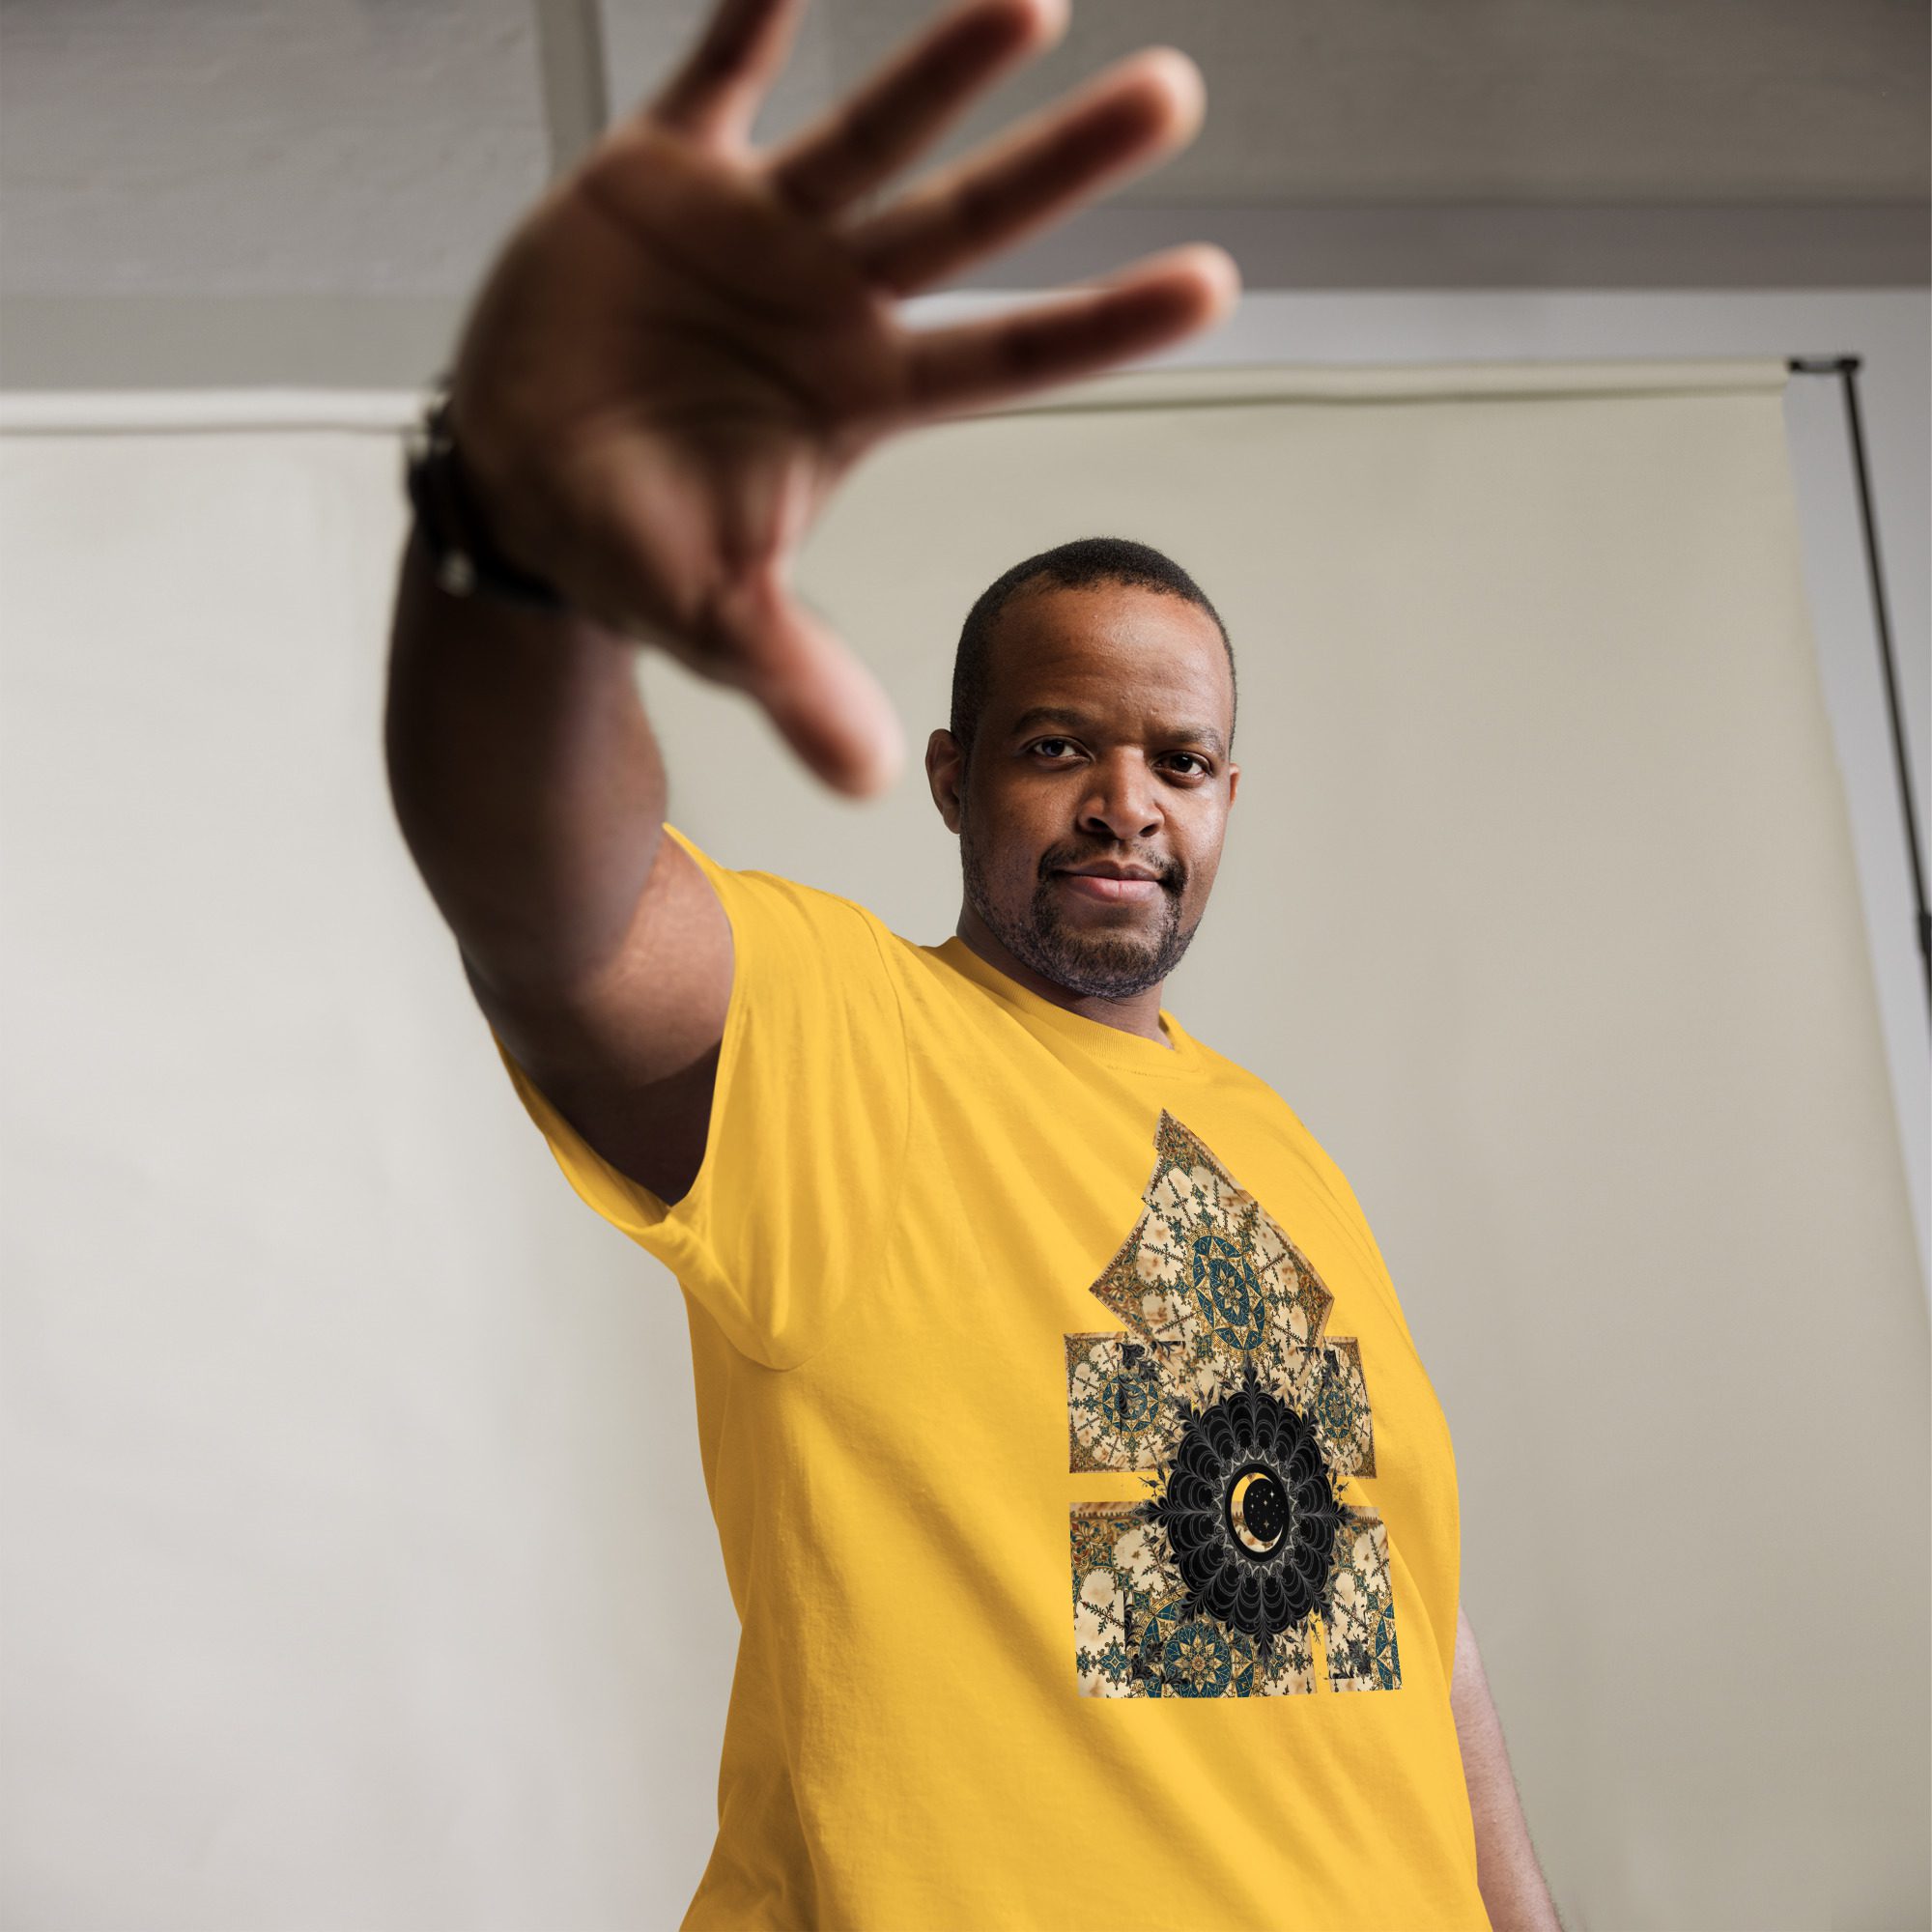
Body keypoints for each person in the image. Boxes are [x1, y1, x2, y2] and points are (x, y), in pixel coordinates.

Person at [384, 0, 1561, 1924]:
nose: (1124, 800)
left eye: (1177, 761)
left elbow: (1417, 1624)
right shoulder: (844, 1039)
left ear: (1228, 796)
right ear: (952, 776)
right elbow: (555, 914)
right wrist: (521, 544)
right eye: (1054, 745)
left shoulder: (1274, 1148)